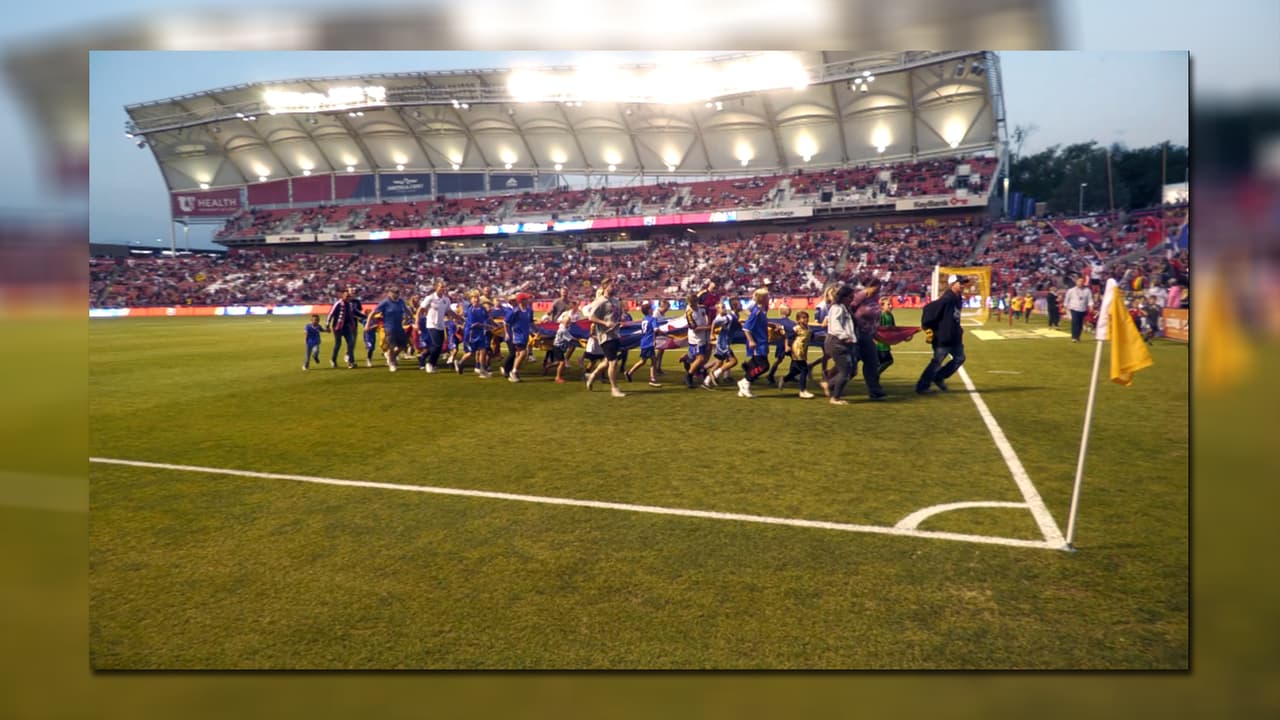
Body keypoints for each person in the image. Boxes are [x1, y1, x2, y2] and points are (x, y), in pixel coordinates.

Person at [916, 274, 968, 394]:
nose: (963, 285)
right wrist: (927, 327)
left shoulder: (958, 298)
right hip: (943, 337)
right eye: (960, 283)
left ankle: (939, 377)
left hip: (954, 337)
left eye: (963, 283)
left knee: (960, 358)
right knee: (937, 362)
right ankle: (922, 386)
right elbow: (928, 309)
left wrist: (958, 329)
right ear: (952, 284)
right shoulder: (947, 299)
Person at [584, 279, 626, 397]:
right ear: (605, 287)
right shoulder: (600, 301)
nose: (614, 287)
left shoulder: (616, 301)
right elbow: (591, 317)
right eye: (612, 286)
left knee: (607, 361)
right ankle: (614, 389)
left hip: (615, 334)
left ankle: (592, 375)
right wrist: (605, 323)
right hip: (605, 336)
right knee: (613, 362)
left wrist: (620, 320)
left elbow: (617, 315)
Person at [849, 277, 887, 400]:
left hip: (869, 333)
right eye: (877, 287)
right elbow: (849, 309)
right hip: (860, 333)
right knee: (872, 361)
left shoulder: (875, 297)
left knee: (854, 364)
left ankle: (831, 383)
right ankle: (875, 390)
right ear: (870, 286)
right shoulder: (860, 296)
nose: (879, 290)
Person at [821, 285, 856, 405]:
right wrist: (845, 336)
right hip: (837, 342)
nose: (852, 299)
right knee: (845, 371)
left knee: (849, 370)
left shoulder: (843, 308)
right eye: (850, 297)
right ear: (844, 297)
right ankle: (835, 398)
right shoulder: (838, 308)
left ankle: (829, 384)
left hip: (840, 342)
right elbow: (835, 325)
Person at [418, 280, 462, 373]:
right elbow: (420, 309)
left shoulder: (446, 300)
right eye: (441, 287)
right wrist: (417, 322)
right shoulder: (430, 298)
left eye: (444, 287)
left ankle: (426, 357)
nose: (443, 288)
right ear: (436, 287)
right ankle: (430, 363)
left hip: (441, 325)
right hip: (431, 325)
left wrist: (460, 319)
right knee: (437, 345)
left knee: (439, 347)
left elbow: (449, 311)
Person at [739, 287, 771, 398]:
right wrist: (751, 341)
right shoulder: (756, 312)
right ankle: (746, 381)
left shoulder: (762, 311)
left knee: (755, 364)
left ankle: (744, 385)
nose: (769, 298)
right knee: (764, 366)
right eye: (767, 297)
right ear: (762, 299)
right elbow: (746, 328)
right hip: (758, 344)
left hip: (763, 342)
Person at [625, 300, 663, 388]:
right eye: (651, 308)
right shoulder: (653, 319)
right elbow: (656, 330)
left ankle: (629, 373)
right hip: (649, 343)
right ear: (649, 310)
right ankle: (652, 379)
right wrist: (664, 332)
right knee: (653, 361)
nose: (653, 309)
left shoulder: (644, 319)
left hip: (644, 342)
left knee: (643, 361)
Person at [372, 287, 410, 371]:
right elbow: (373, 312)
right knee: (393, 347)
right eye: (394, 292)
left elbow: (406, 309)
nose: (396, 294)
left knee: (402, 346)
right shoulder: (385, 303)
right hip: (389, 328)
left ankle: (391, 357)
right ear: (390, 293)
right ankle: (392, 363)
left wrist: (412, 318)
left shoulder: (401, 301)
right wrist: (368, 324)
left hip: (399, 327)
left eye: (397, 293)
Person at [325, 287, 363, 368]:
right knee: (338, 344)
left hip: (347, 327)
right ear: (343, 296)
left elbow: (356, 312)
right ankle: (333, 360)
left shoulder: (350, 305)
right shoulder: (338, 304)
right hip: (338, 327)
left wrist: (366, 316)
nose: (347, 298)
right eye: (346, 296)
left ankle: (351, 362)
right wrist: (327, 325)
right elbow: (331, 314)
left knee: (351, 343)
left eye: (348, 296)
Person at [457, 290, 493, 377]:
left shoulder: (482, 308)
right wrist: (488, 326)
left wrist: (494, 324)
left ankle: (482, 370)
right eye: (474, 298)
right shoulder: (471, 310)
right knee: (471, 353)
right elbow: (476, 324)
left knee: (483, 350)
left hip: (480, 332)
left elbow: (487, 318)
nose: (476, 299)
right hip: (472, 334)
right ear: (471, 299)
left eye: (477, 297)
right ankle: (460, 362)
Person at [780, 309, 815, 398]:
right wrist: (787, 346)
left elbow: (812, 337)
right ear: (798, 320)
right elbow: (788, 337)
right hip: (796, 351)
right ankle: (803, 391)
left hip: (803, 351)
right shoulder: (796, 329)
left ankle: (784, 379)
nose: (805, 319)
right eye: (803, 318)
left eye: (806, 317)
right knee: (804, 369)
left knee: (795, 371)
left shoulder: (809, 329)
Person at [706, 300, 739, 388]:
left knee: (719, 362)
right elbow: (714, 323)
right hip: (723, 343)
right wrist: (712, 334)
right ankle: (715, 373)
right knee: (733, 361)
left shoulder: (730, 316)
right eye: (722, 307)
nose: (724, 309)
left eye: (724, 307)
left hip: (724, 342)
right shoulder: (725, 317)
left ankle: (706, 381)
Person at [683, 290, 712, 390]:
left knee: (705, 356)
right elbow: (694, 328)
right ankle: (689, 376)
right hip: (696, 339)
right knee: (700, 358)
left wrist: (708, 322)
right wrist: (708, 328)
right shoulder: (689, 313)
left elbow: (707, 314)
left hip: (704, 336)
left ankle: (691, 362)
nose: (693, 305)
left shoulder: (702, 308)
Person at [502, 292, 534, 382]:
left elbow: (531, 322)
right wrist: (507, 333)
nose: (528, 300)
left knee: (518, 354)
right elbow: (506, 322)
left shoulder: (529, 310)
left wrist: (535, 330)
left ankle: (514, 371)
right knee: (523, 353)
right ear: (521, 301)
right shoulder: (515, 311)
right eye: (526, 299)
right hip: (517, 335)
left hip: (525, 335)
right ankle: (514, 371)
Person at [765, 305, 795, 386]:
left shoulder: (777, 321)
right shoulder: (792, 323)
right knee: (793, 359)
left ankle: (771, 374)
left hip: (781, 343)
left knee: (780, 360)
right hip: (788, 343)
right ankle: (771, 375)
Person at [1064, 276, 1093, 343]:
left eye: (1082, 281)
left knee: (1080, 324)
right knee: (1075, 322)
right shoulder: (1071, 290)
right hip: (1074, 308)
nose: (1081, 283)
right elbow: (1066, 300)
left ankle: (1077, 336)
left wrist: (1091, 306)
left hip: (1083, 309)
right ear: (1076, 282)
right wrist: (1066, 308)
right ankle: (1074, 337)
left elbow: (1090, 300)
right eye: (1079, 281)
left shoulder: (1087, 290)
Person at [551, 308, 575, 384]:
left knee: (558, 362)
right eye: (569, 323)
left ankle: (547, 367)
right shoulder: (564, 330)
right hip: (558, 347)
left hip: (558, 347)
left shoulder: (563, 328)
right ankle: (557, 377)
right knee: (562, 363)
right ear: (566, 323)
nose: (570, 324)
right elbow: (570, 339)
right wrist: (579, 341)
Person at [875, 296, 896, 374]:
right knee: (888, 360)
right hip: (880, 344)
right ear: (882, 306)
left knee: (881, 362)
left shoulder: (890, 316)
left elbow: (894, 329)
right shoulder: (881, 315)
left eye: (891, 304)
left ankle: (873, 376)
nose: (891, 306)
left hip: (885, 344)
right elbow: (877, 329)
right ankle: (874, 375)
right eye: (888, 304)